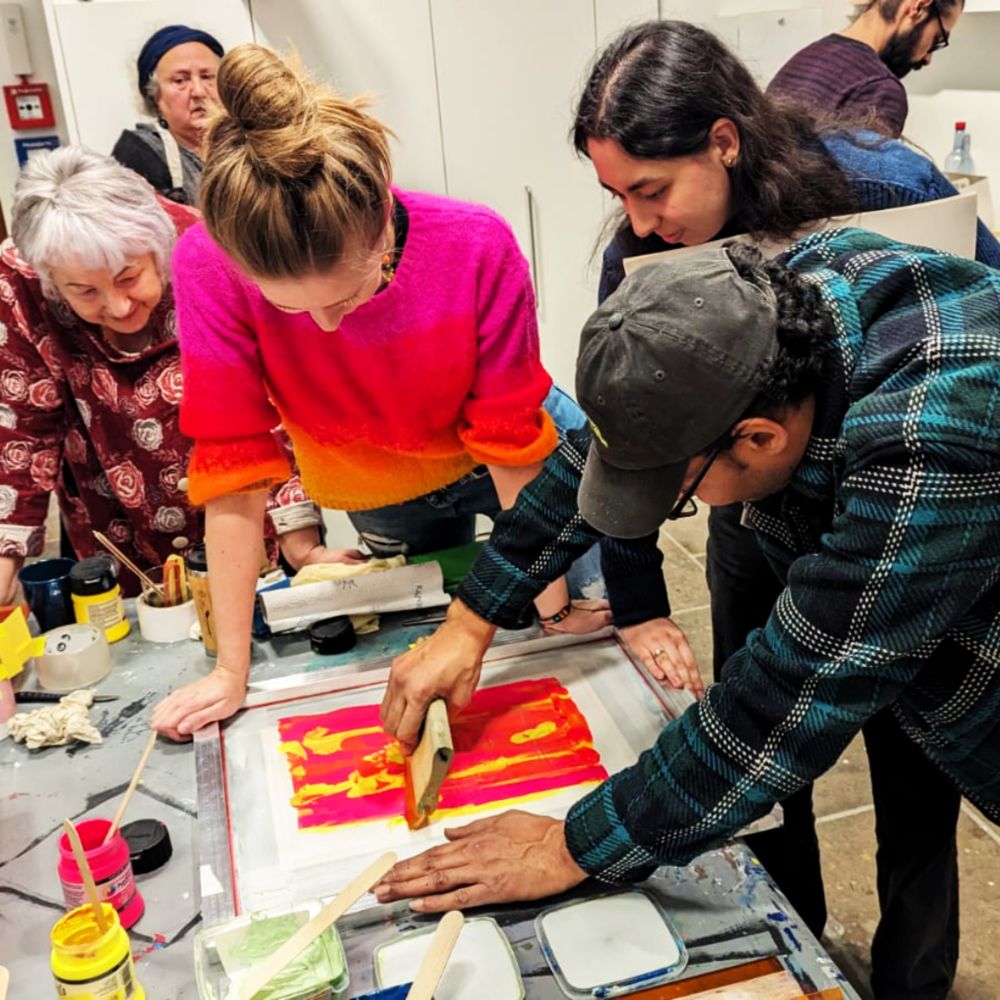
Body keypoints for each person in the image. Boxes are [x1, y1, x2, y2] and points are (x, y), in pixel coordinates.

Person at [380, 20, 1000, 997]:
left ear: (755, 443)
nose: (635, 219)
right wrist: (475, 616)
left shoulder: (932, 429)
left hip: (978, 663)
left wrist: (577, 843)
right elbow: (605, 445)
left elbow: (794, 689)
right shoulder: (765, 299)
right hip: (899, 575)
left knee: (912, 760)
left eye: (681, 490)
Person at [150, 45, 608, 743]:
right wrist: (231, 673)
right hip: (380, 480)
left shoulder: (474, 244)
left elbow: (514, 451)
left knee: (580, 660)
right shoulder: (208, 266)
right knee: (418, 646)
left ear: (380, 217)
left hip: (515, 461)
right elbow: (234, 474)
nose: (328, 326)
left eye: (348, 296)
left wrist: (552, 609)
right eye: (295, 311)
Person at [0, 147, 319, 601]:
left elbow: (275, 402)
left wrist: (300, 539)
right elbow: (20, 430)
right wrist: (4, 566)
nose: (118, 307)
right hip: (112, 522)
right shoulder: (20, 278)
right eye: (84, 291)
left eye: (128, 277)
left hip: (241, 502)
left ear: (156, 242)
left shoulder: (209, 250)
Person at [769, 0, 963, 137]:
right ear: (918, 7)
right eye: (938, 39)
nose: (928, 58)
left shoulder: (805, 58)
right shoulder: (879, 88)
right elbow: (867, 192)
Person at [111, 25, 224, 205]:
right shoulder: (137, 154)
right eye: (180, 80)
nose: (199, 91)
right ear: (154, 96)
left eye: (207, 76)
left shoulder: (250, 141)